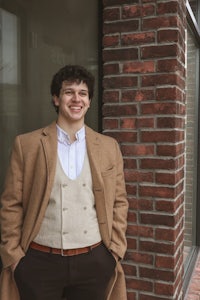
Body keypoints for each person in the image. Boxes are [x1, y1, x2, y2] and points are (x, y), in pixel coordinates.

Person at [0, 65, 128, 300]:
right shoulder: (27, 145)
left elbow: (119, 202)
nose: (76, 99)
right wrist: (14, 257)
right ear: (56, 99)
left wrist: (115, 252)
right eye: (69, 92)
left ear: (89, 101)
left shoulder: (109, 147)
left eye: (83, 93)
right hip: (39, 262)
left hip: (94, 261)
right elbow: (11, 204)